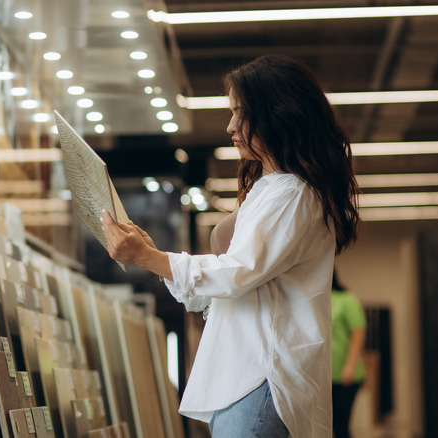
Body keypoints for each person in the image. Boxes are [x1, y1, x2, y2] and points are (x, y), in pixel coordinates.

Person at [100, 54, 361, 438]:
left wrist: (151, 258)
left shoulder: (291, 192)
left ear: (277, 113)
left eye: (241, 114)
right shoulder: (274, 190)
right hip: (248, 379)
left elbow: (238, 273)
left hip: (260, 379)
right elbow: (231, 288)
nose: (230, 126)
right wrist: (155, 257)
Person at [331, 270, 366, 438]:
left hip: (345, 377)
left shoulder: (346, 299)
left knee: (340, 427)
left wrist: (350, 366)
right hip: (323, 378)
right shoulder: (315, 298)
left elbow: (358, 332)